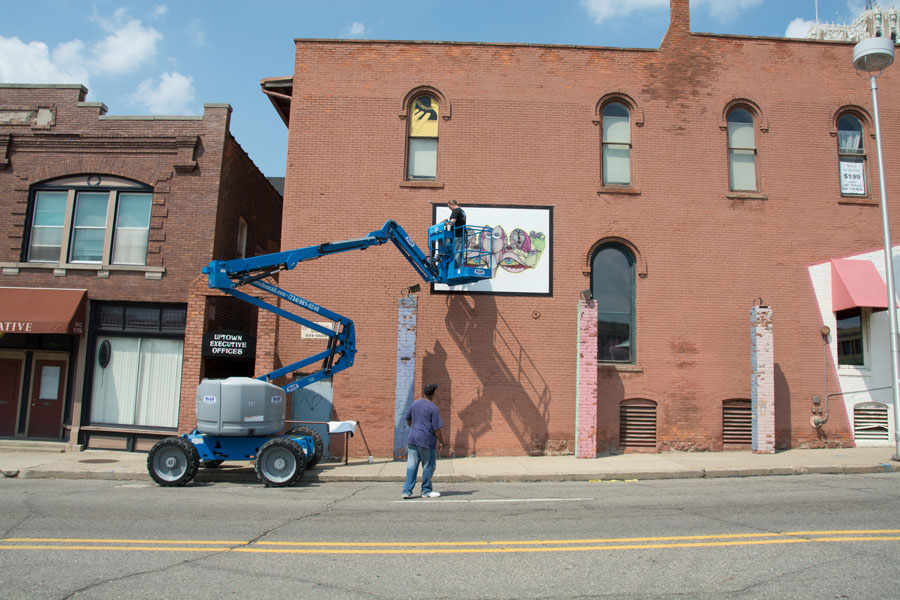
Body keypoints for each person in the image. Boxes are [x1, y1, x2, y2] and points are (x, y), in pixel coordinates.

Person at [402, 383, 445, 498]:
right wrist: (441, 441)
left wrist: (413, 428)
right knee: (428, 466)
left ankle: (407, 491)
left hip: (413, 439)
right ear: (433, 394)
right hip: (426, 441)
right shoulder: (433, 408)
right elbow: (437, 429)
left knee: (412, 466)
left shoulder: (415, 404)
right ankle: (426, 490)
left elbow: (407, 418)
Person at [447, 199, 466, 268]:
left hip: (457, 235)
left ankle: (454, 268)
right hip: (461, 234)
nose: (450, 209)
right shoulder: (462, 211)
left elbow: (452, 222)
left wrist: (445, 223)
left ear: (451, 205)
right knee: (459, 252)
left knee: (455, 252)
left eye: (449, 207)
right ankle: (455, 267)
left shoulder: (456, 211)